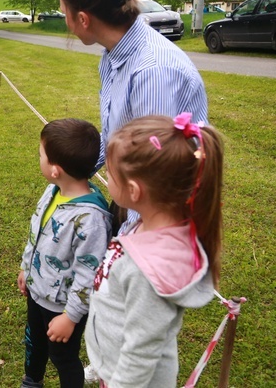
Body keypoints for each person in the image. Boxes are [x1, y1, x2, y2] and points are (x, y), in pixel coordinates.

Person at [54, 0, 208, 237]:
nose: (65, 21)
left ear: (83, 19)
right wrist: (74, 173)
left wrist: (124, 245)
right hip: (133, 195)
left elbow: (157, 176)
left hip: (161, 220)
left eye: (65, 12)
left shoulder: (153, 72)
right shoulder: (112, 56)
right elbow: (116, 135)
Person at [86, 114, 223, 387]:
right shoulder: (154, 230)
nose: (106, 177)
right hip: (112, 366)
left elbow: (140, 354)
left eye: (110, 173)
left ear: (134, 191)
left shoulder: (146, 268)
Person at [17, 119, 112, 388]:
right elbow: (36, 230)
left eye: (41, 154)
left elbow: (89, 273)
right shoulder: (53, 191)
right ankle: (32, 380)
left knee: (63, 357)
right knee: (34, 340)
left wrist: (70, 317)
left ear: (56, 170)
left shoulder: (90, 219)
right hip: (38, 291)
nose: (39, 158)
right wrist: (27, 267)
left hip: (62, 306)